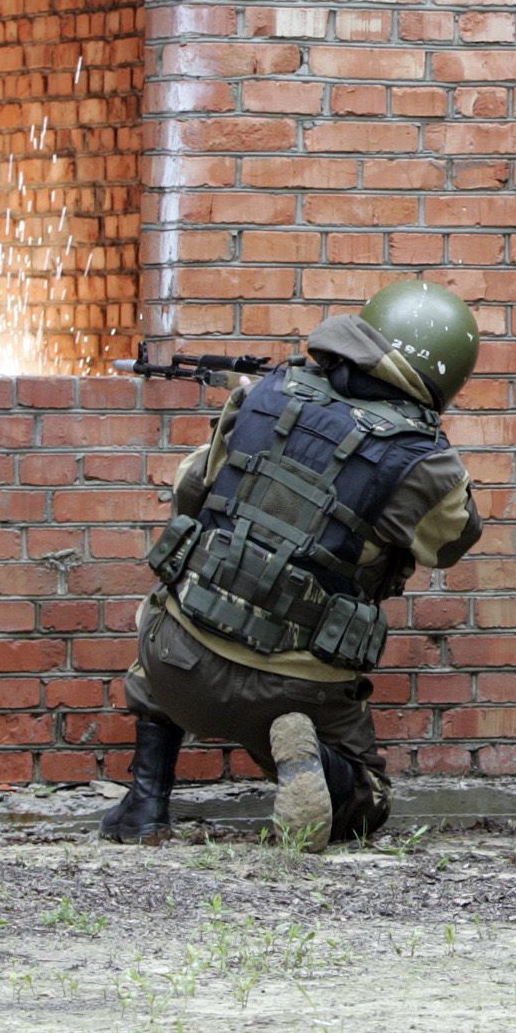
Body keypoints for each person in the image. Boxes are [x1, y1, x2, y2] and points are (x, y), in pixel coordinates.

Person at [99, 281, 483, 847]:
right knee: (368, 801)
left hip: (177, 667)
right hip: (294, 689)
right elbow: (451, 545)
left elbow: (190, 491)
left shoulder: (268, 392)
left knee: (169, 603)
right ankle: (312, 762)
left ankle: (145, 804)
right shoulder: (424, 461)